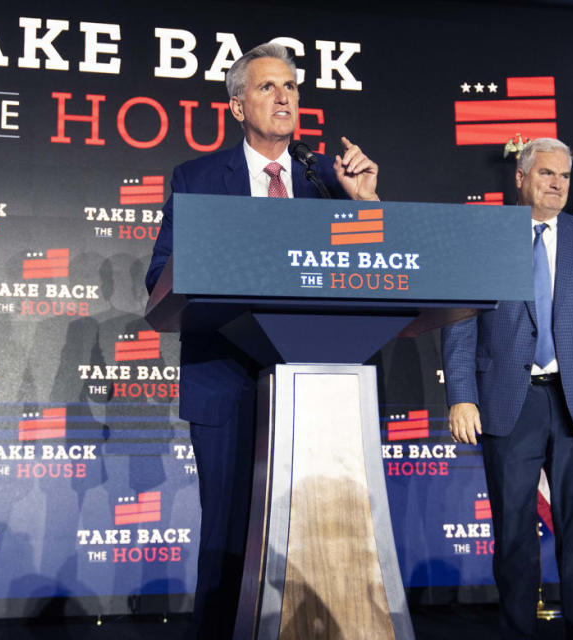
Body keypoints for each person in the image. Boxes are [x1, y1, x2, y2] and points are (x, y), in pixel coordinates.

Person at [145, 42, 379, 639]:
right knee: (226, 538)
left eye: (292, 88)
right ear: (236, 106)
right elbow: (160, 278)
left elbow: (373, 270)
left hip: (312, 386)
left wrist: (367, 205)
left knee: (313, 534)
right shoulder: (196, 178)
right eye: (269, 87)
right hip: (225, 377)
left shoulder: (326, 177)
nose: (285, 97)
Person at [441, 138, 573, 640]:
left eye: (565, 176)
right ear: (521, 178)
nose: (557, 184)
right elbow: (459, 323)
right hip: (510, 400)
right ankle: (517, 631)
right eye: (546, 173)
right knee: (513, 534)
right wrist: (461, 394)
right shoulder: (484, 238)